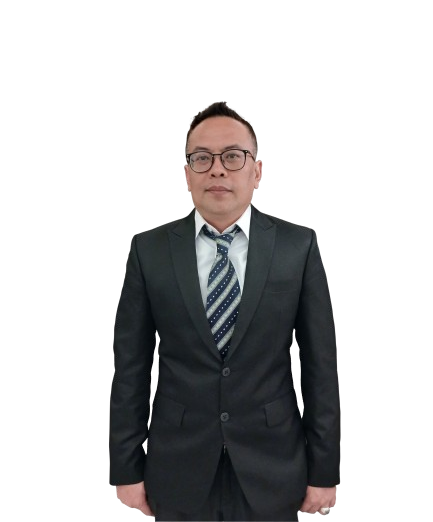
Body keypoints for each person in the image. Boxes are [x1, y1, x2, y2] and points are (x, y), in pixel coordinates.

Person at [109, 102, 340, 521]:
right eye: (202, 158)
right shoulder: (149, 251)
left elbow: (320, 366)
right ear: (187, 174)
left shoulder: (297, 247)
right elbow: (130, 367)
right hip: (177, 467)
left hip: (274, 465)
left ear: (257, 171)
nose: (217, 170)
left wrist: (324, 469)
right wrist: (126, 466)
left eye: (233, 156)